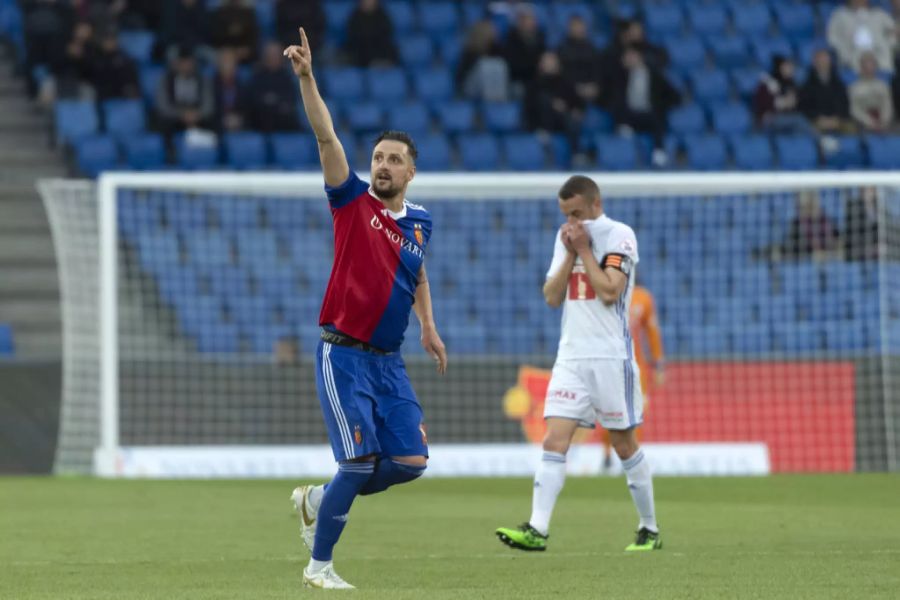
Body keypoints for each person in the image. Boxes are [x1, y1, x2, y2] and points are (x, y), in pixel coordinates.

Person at [282, 27, 447, 590]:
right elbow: (327, 140)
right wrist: (308, 78)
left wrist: (428, 323)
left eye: (393, 159)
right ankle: (318, 567)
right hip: (344, 355)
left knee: (410, 463)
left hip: (389, 361)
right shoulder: (351, 203)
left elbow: (417, 271)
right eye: (377, 156)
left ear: (410, 172)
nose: (382, 165)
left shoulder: (420, 222)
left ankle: (319, 500)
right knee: (356, 462)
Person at [495, 175, 660, 553]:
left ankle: (649, 528)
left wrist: (584, 250)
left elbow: (609, 291)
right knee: (554, 439)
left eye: (576, 213)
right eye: (566, 215)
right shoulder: (565, 238)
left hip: (610, 357)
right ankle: (537, 528)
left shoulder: (620, 235)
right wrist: (570, 252)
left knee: (623, 444)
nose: (571, 222)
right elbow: (552, 297)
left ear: (595, 204)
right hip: (570, 356)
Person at [600, 281, 664, 470]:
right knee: (609, 412)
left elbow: (652, 332)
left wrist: (658, 363)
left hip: (637, 368)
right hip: (609, 365)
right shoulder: (603, 295)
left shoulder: (643, 298)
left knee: (636, 414)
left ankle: (632, 459)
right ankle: (606, 455)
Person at [609, 47, 681, 167]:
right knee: (622, 118)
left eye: (631, 56)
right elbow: (615, 99)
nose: (627, 59)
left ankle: (659, 152)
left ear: (639, 57)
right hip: (629, 115)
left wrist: (660, 105)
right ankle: (627, 155)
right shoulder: (621, 77)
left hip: (649, 115)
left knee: (656, 120)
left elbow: (674, 96)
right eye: (626, 57)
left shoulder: (654, 75)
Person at [525, 52, 584, 149]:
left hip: (562, 120)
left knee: (573, 121)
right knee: (544, 100)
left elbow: (577, 102)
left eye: (553, 61)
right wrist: (551, 103)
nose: (550, 64)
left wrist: (576, 109)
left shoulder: (566, 83)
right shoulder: (533, 85)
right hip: (541, 123)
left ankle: (576, 153)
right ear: (541, 64)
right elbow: (529, 108)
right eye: (547, 61)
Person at [155, 45, 215, 136]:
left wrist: (197, 114)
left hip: (197, 116)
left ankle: (213, 148)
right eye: (183, 62)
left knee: (214, 122)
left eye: (189, 62)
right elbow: (163, 105)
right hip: (175, 116)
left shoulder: (202, 79)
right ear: (177, 63)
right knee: (164, 124)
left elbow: (208, 104)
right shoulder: (166, 80)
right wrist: (181, 114)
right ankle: (171, 150)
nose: (186, 66)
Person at [827, 0, 896, 74]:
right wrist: (842, 49)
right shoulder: (840, 15)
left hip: (878, 56)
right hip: (851, 56)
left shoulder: (879, 14)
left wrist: (888, 45)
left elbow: (893, 32)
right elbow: (832, 37)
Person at [247, 42, 299, 133]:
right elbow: (254, 100)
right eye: (270, 55)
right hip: (260, 121)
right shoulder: (257, 76)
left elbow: (290, 100)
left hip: (282, 121)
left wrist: (272, 101)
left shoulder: (286, 77)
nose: (273, 58)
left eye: (276, 55)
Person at [753, 56, 813, 134]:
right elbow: (762, 103)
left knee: (799, 126)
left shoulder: (791, 84)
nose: (791, 69)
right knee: (798, 119)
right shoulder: (767, 82)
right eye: (788, 66)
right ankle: (820, 142)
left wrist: (794, 102)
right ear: (780, 67)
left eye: (792, 66)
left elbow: (796, 102)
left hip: (786, 117)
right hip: (769, 118)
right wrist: (784, 102)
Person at [800, 48, 854, 134]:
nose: (823, 62)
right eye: (820, 59)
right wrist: (818, 118)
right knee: (809, 130)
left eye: (825, 59)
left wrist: (837, 118)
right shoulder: (807, 85)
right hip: (817, 121)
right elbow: (804, 107)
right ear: (814, 62)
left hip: (838, 121)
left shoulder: (839, 84)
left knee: (852, 128)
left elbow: (844, 104)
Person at [456, 19, 509, 101]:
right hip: (470, 87)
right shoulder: (470, 51)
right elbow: (463, 75)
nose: (494, 33)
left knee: (499, 64)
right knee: (485, 66)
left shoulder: (495, 48)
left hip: (491, 87)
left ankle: (498, 100)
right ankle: (492, 101)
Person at [558, 15, 603, 106]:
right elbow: (563, 74)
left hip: (592, 90)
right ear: (569, 28)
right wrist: (578, 88)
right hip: (570, 92)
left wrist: (595, 86)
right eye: (575, 26)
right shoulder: (562, 49)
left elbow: (598, 70)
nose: (579, 29)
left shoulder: (592, 48)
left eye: (581, 25)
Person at [84, 29, 140, 101]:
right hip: (102, 94)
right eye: (107, 40)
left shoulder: (124, 58)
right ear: (102, 42)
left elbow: (131, 80)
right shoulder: (96, 58)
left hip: (121, 94)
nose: (110, 43)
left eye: (112, 40)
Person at [782, 191, 841, 260]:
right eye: (803, 206)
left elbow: (839, 241)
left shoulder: (827, 220)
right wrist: (812, 255)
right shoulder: (796, 224)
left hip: (828, 257)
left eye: (811, 203)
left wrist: (827, 254)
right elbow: (794, 250)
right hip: (809, 261)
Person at [503, 5, 546, 93]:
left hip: (536, 78)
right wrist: (535, 66)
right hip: (518, 79)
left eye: (532, 19)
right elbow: (513, 64)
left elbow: (543, 59)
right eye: (527, 20)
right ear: (520, 22)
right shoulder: (512, 39)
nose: (531, 23)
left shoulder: (540, 38)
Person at [850, 51, 894, 132]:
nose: (869, 69)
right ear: (861, 68)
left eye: (871, 65)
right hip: (863, 123)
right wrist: (869, 122)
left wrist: (884, 120)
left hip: (883, 122)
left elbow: (887, 104)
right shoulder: (854, 87)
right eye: (866, 66)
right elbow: (854, 109)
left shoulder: (883, 85)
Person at [345, 0, 398, 67]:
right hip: (360, 47)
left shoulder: (382, 15)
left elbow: (387, 32)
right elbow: (352, 33)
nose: (368, 2)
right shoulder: (355, 16)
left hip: (378, 47)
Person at [209, 0, 259, 64]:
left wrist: (247, 50)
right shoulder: (219, 13)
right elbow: (215, 37)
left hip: (245, 57)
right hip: (223, 54)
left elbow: (254, 37)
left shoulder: (249, 14)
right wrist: (229, 51)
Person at [213, 49, 248, 133]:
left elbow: (248, 110)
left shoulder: (243, 85)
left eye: (230, 61)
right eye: (224, 61)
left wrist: (239, 119)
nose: (227, 65)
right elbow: (210, 110)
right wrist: (223, 119)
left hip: (240, 127)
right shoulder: (211, 85)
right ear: (218, 64)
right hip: (216, 128)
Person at [844, 186, 881, 261]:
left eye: (871, 190)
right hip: (858, 253)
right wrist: (870, 248)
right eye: (865, 190)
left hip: (876, 255)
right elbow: (852, 235)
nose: (868, 193)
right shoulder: (853, 208)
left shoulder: (880, 208)